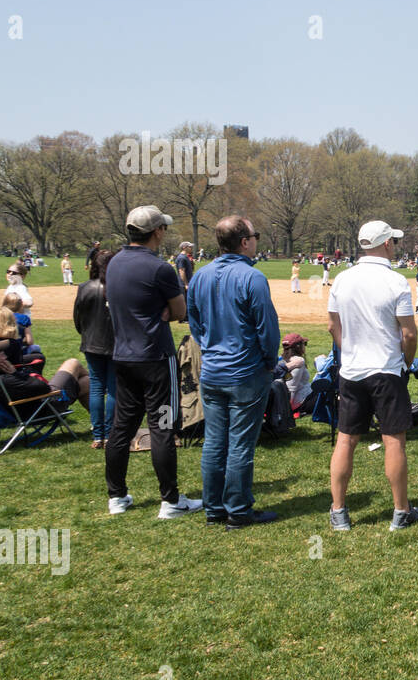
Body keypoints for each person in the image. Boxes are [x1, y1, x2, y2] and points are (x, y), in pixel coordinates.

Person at [103, 205, 199, 519]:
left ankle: (116, 496)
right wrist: (165, 312)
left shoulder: (114, 263)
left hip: (123, 355)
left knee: (122, 428)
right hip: (156, 357)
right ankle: (170, 501)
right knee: (162, 426)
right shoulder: (160, 269)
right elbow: (180, 310)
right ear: (156, 231)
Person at [187, 215, 281, 530]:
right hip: (246, 371)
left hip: (213, 371)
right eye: (254, 235)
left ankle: (214, 509)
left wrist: (210, 349)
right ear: (244, 242)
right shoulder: (252, 277)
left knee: (215, 441)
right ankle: (238, 511)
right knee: (240, 443)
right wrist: (270, 360)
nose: (256, 240)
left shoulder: (201, 276)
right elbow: (267, 328)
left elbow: (195, 322)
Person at [327, 221, 418, 533]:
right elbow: (408, 333)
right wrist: (406, 362)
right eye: (393, 241)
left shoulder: (342, 279)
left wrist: (349, 349)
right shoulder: (395, 281)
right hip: (386, 370)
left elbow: (332, 326)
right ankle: (400, 511)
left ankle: (339, 512)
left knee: (346, 439)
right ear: (386, 245)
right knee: (393, 440)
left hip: (352, 371)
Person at [73, 249, 117, 449]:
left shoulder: (84, 287)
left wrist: (85, 333)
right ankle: (109, 434)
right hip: (115, 344)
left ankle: (98, 435)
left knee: (97, 388)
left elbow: (78, 317)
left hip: (91, 343)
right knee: (114, 388)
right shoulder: (117, 288)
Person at [277, 332, 312, 412]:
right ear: (298, 347)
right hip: (300, 402)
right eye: (304, 344)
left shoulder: (280, 359)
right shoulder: (298, 361)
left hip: (294, 400)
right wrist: (287, 411)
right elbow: (291, 387)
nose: (305, 346)